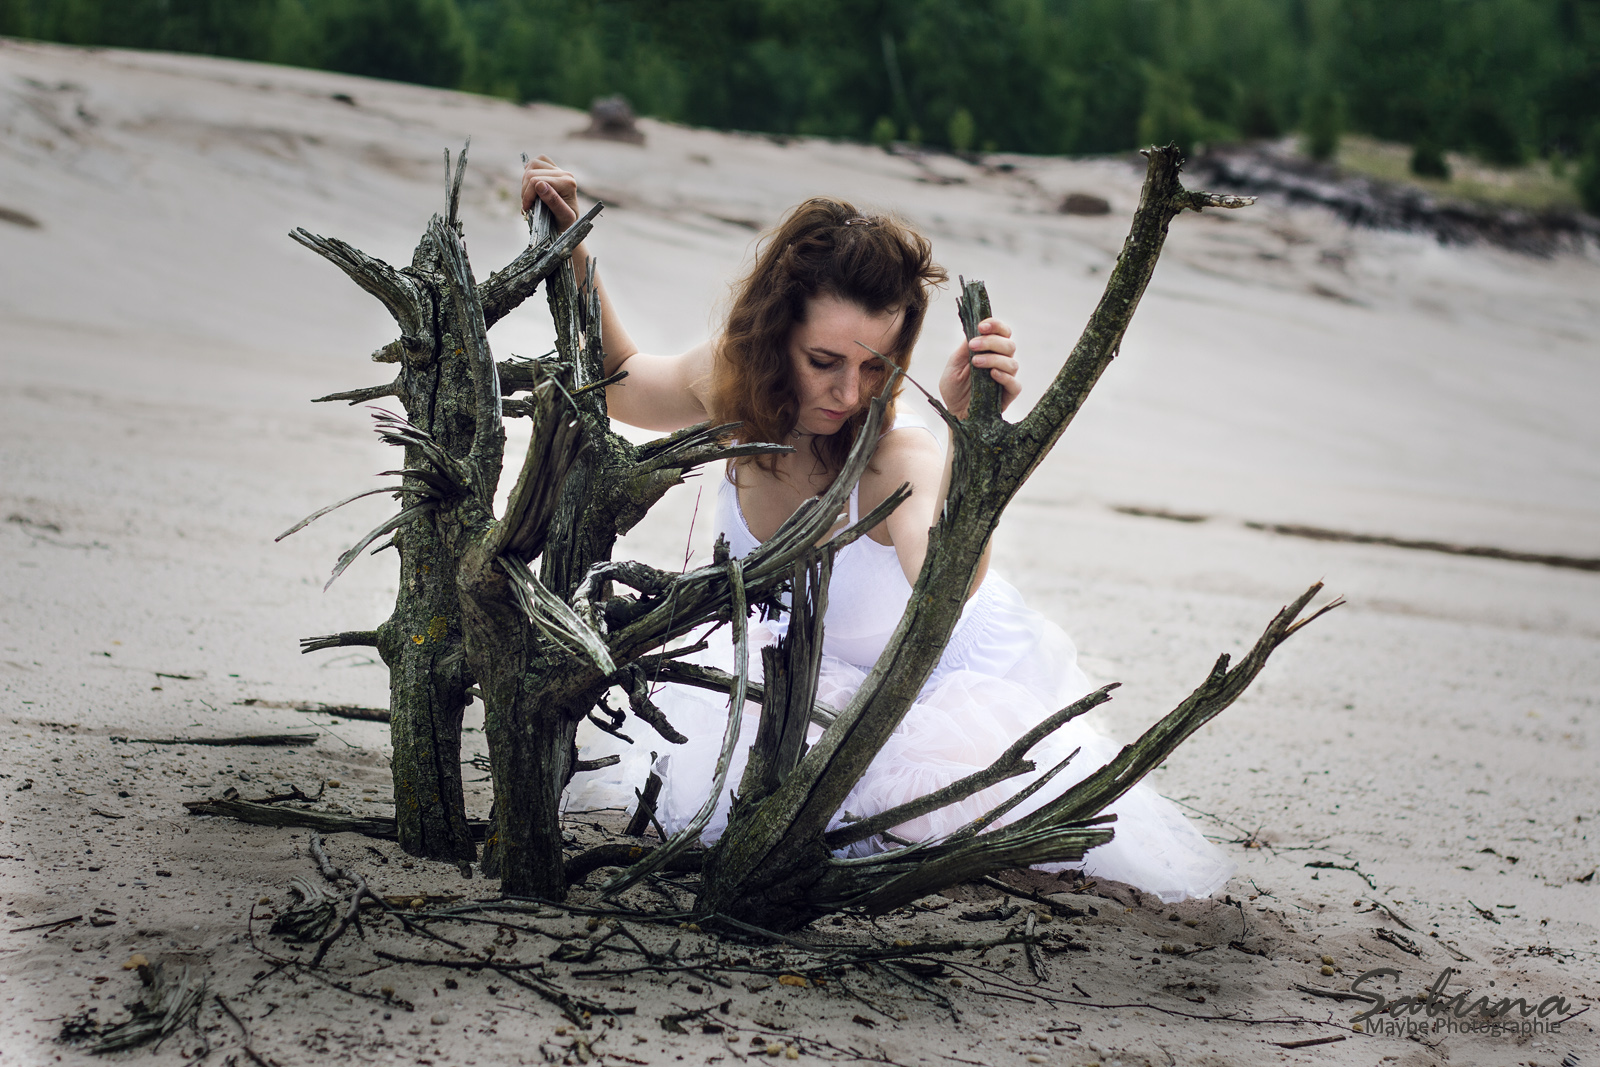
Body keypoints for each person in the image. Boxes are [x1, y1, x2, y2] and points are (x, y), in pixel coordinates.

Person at [521, 158, 1235, 902]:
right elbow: (626, 379)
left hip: (919, 693)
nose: (847, 392)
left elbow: (944, 584)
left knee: (925, 822)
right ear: (774, 335)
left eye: (875, 367)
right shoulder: (733, 386)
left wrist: (969, 439)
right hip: (778, 682)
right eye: (822, 360)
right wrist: (570, 244)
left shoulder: (897, 458)